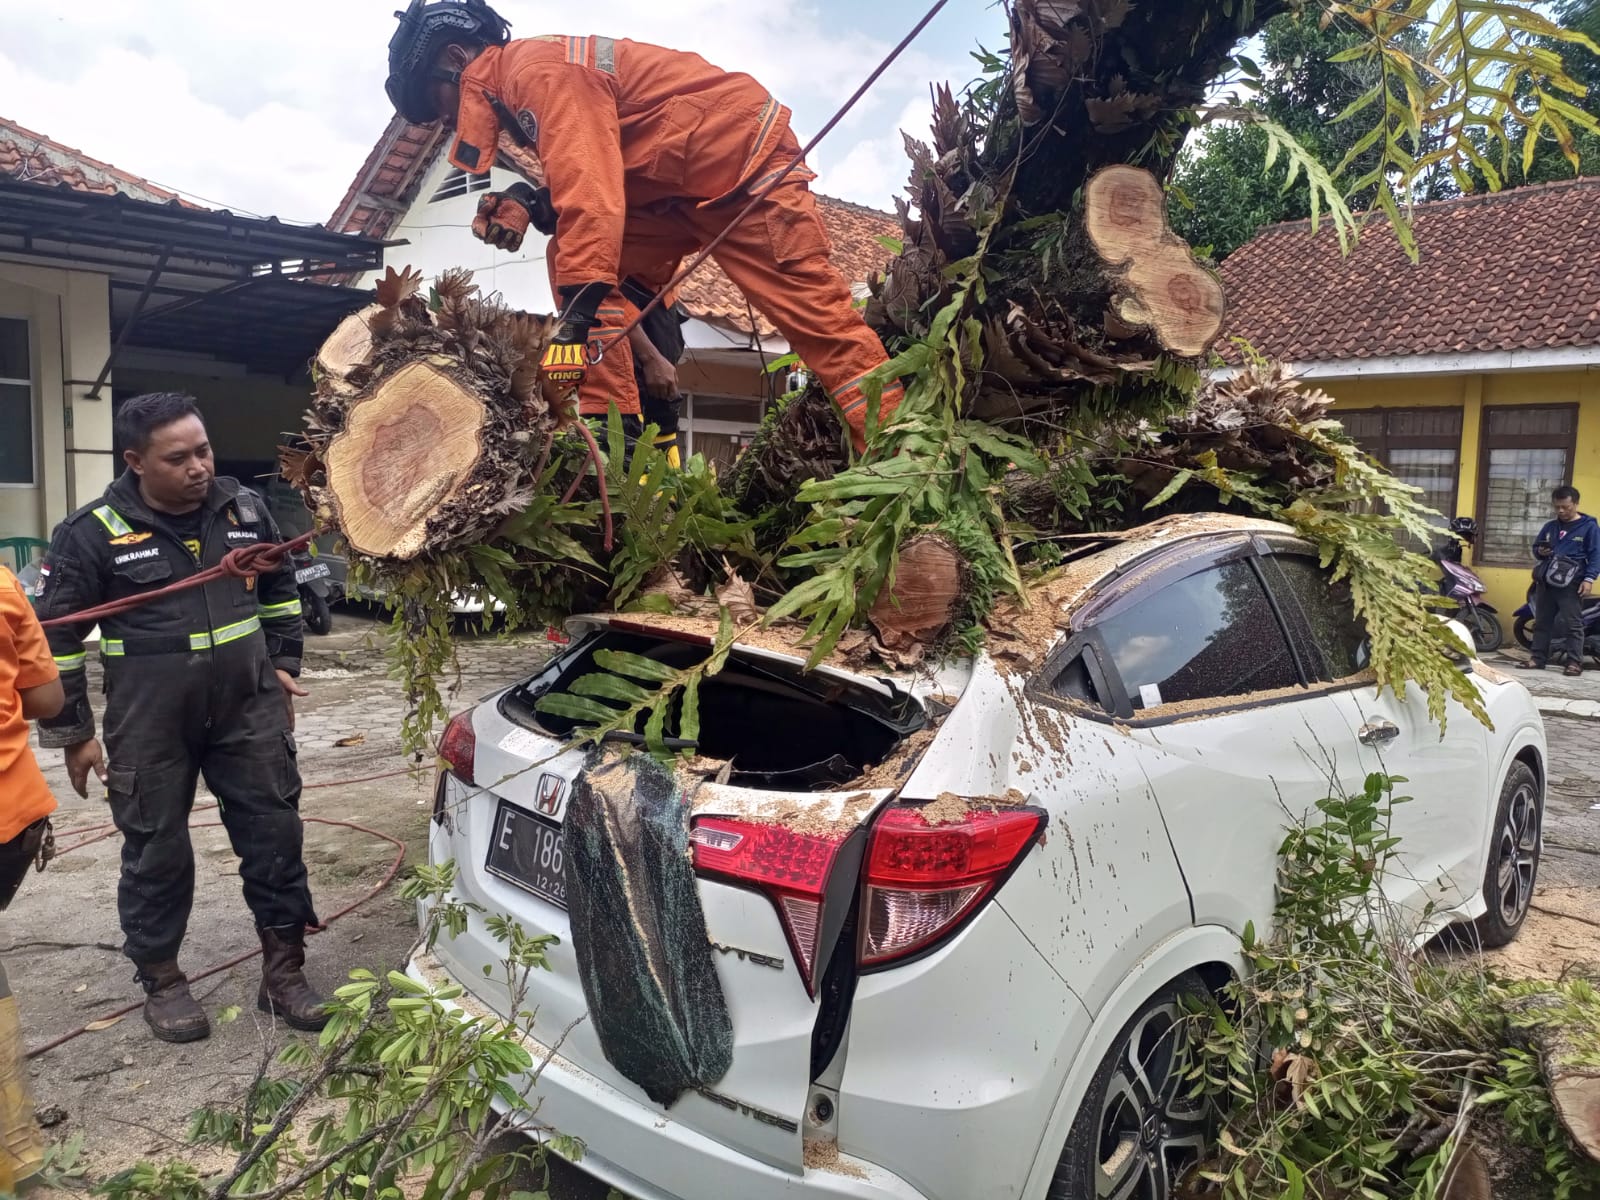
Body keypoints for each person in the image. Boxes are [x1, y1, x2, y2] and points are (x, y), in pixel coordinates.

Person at [383, 0, 902, 454]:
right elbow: (603, 173)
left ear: (455, 59)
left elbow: (592, 196)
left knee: (819, 324)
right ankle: (614, 431)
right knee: (566, 252)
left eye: (436, 103)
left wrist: (572, 331)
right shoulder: (523, 87)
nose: (444, 121)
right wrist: (530, 200)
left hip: (737, 161)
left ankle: (898, 455)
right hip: (675, 191)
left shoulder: (532, 71)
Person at [33, 393, 331, 1042]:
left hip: (247, 712)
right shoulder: (92, 534)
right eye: (179, 457)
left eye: (203, 450)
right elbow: (54, 642)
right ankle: (163, 980)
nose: (199, 467)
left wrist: (284, 665)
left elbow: (281, 592)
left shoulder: (244, 510)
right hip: (149, 721)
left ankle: (283, 975)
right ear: (136, 461)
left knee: (275, 836)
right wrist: (74, 735)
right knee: (156, 852)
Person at [0, 564, 62, 1187]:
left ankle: (15, 1164)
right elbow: (47, 700)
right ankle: (17, 1159)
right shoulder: (2, 585)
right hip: (11, 818)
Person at [1524, 484, 1600, 676]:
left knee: (1573, 624)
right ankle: (1537, 658)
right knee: (1542, 621)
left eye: (1565, 507)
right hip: (1546, 582)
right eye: (1557, 507)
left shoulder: (1589, 527)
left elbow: (1596, 554)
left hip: (1572, 583)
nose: (1561, 511)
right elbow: (1536, 549)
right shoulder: (1550, 527)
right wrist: (1540, 551)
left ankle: (1574, 662)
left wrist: (1589, 579)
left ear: (1575, 504)